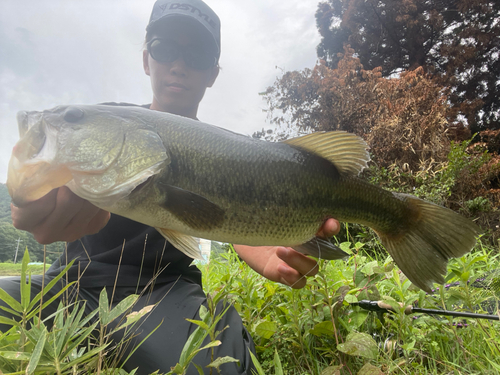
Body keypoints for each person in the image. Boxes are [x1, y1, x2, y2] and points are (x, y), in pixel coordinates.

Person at [5, 0, 340, 373]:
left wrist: (262, 243)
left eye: (195, 54)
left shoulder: (226, 153)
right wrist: (27, 201)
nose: (179, 65)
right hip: (68, 282)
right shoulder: (104, 120)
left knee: (212, 364)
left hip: (165, 288)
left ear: (213, 73)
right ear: (147, 59)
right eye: (165, 49)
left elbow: (222, 213)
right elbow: (31, 198)